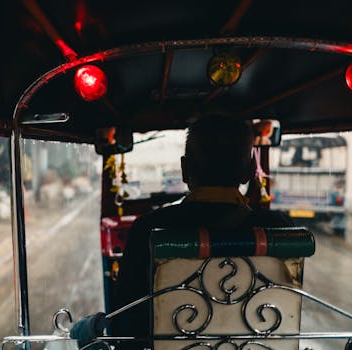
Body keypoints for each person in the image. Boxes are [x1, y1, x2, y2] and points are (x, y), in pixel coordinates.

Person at [110, 115, 293, 342]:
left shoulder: (148, 229)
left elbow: (122, 323)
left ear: (185, 169)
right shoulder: (278, 229)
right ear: (250, 171)